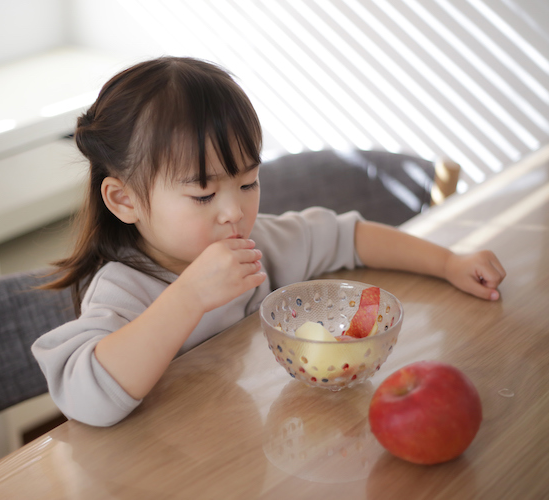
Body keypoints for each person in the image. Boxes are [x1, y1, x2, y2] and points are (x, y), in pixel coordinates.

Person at [32, 57, 506, 427]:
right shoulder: (122, 289)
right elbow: (86, 400)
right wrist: (190, 295)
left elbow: (349, 237)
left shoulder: (259, 242)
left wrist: (448, 262)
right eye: (202, 194)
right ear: (124, 200)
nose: (234, 211)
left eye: (248, 183)